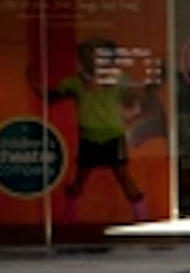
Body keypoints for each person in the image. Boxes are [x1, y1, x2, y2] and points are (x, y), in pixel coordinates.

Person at [30, 38, 152, 223]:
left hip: (113, 136)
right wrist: (34, 84)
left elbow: (138, 97)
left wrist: (137, 95)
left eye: (94, 55)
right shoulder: (75, 82)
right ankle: (69, 218)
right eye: (85, 55)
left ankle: (142, 216)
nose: (90, 59)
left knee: (123, 176)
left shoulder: (117, 80)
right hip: (88, 137)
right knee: (80, 179)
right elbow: (51, 98)